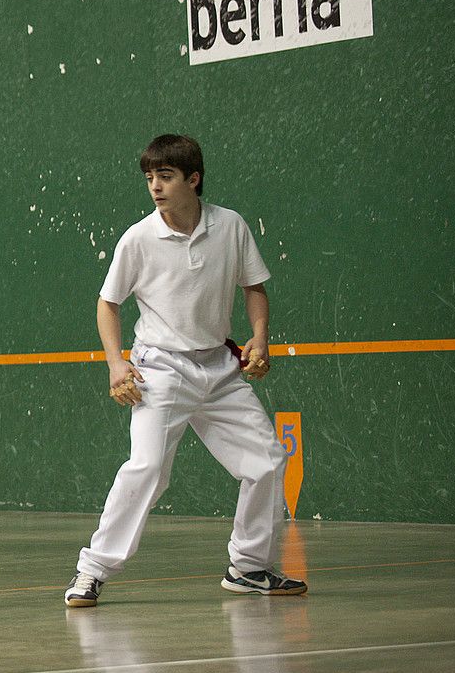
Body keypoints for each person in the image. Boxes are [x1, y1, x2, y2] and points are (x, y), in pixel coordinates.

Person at [64, 134, 306, 607]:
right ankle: (91, 571)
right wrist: (117, 364)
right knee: (148, 466)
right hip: (161, 370)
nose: (155, 186)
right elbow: (107, 304)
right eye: (150, 177)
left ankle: (249, 567)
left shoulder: (231, 226)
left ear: (193, 179)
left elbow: (254, 287)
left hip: (219, 369)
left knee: (267, 461)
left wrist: (260, 335)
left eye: (166, 176)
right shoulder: (138, 238)